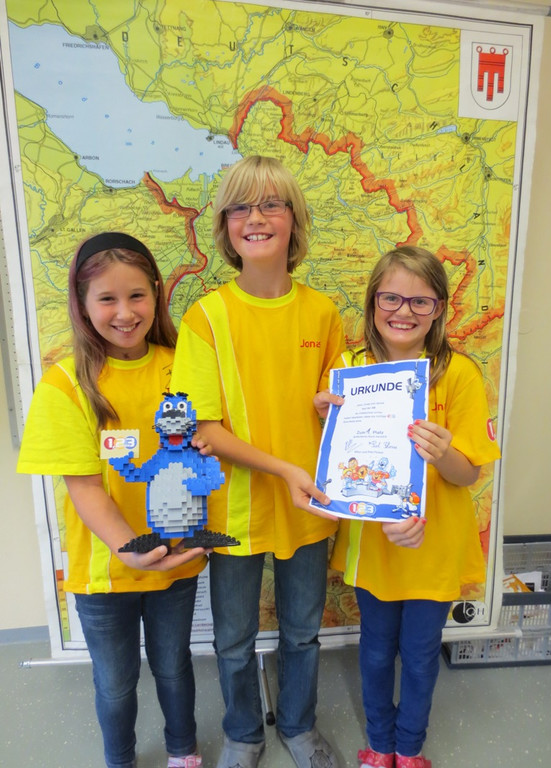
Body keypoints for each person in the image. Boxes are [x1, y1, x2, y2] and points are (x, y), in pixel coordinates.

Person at [170, 155, 346, 768]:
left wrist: (331, 408)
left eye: (272, 204)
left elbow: (338, 412)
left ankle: (298, 726)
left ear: (295, 220)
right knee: (233, 640)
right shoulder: (206, 316)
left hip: (309, 506)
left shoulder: (323, 313)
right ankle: (243, 735)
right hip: (236, 511)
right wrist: (285, 470)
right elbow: (204, 430)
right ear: (225, 225)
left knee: (302, 632)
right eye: (240, 206)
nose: (256, 217)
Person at [17, 232, 210, 768]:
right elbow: (85, 488)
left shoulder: (184, 366)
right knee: (116, 680)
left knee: (174, 666)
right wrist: (132, 551)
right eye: (107, 298)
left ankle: (183, 752)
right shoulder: (65, 385)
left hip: (175, 561)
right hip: (104, 573)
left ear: (156, 293)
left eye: (136, 295)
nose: (125, 313)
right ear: (82, 305)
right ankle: (120, 760)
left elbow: (212, 443)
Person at [319, 246, 501, 768]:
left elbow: (469, 474)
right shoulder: (349, 369)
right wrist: (322, 414)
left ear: (440, 307)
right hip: (373, 546)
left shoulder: (458, 373)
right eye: (391, 298)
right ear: (373, 301)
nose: (404, 311)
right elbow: (334, 458)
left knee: (420, 656)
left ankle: (409, 747)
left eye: (421, 301)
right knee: (376, 651)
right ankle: (380, 745)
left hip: (434, 546)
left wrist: (444, 455)